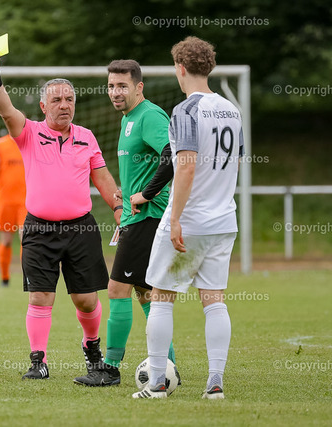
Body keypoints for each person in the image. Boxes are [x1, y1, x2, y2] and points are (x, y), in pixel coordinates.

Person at [0, 51, 121, 381]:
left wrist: (119, 209)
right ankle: (38, 361)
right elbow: (6, 110)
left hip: (81, 229)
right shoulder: (28, 132)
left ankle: (92, 350)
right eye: (57, 99)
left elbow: (102, 177)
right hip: (39, 229)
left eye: (69, 99)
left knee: (85, 300)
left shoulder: (86, 137)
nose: (64, 105)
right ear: (44, 106)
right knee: (40, 296)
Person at [133, 36, 243, 399]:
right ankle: (215, 383)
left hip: (191, 221)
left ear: (180, 68)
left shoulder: (186, 110)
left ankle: (157, 384)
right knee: (214, 300)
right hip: (223, 220)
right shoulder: (232, 110)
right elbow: (234, 163)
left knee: (161, 296)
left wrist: (176, 217)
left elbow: (187, 165)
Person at [74, 60, 178, 386]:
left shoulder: (150, 115)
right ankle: (169, 366)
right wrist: (129, 191)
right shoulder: (128, 118)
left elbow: (172, 154)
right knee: (146, 293)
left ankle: (110, 368)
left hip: (148, 216)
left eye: (122, 86)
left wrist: (146, 193)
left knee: (117, 288)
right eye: (111, 86)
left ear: (138, 87)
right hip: (138, 217)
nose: (115, 92)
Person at [0, 134, 26, 287]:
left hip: (26, 202)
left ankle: (28, 278)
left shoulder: (30, 143)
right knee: (6, 241)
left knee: (26, 239)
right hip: (5, 202)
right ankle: (4, 278)